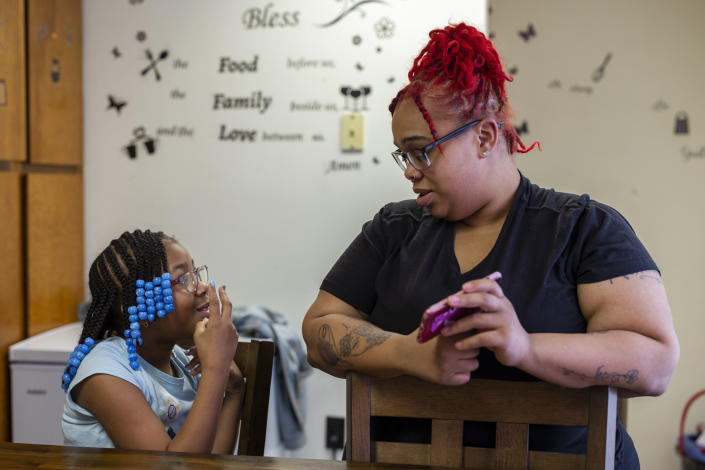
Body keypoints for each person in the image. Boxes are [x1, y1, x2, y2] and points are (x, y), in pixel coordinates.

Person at [301, 23, 679, 468]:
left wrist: (523, 347)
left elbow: (655, 363)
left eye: (422, 150)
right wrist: (410, 354)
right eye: (404, 154)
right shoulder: (392, 229)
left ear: (484, 137)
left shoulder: (584, 229)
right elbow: (318, 329)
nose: (410, 170)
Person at [61, 229, 244, 453]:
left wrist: (233, 389)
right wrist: (216, 370)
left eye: (196, 273)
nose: (203, 287)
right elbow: (173, 468)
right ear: (134, 309)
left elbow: (209, 462)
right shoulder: (105, 375)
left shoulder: (181, 361)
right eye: (184, 279)